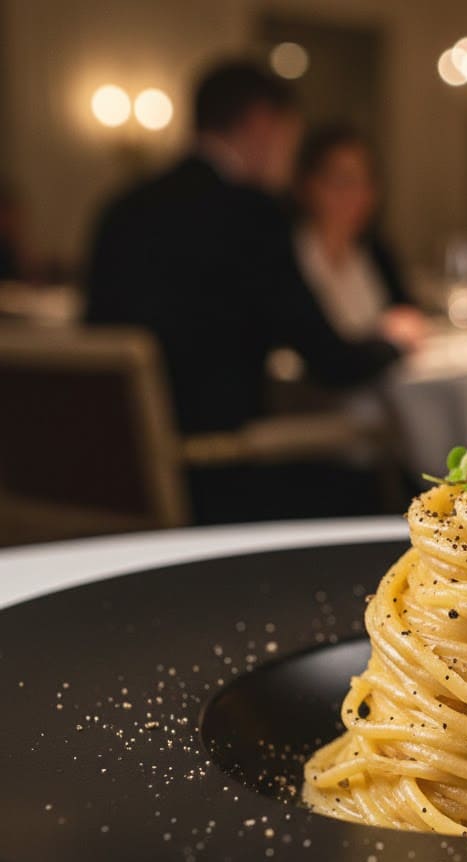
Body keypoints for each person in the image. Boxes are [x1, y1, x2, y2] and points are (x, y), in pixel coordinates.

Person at [84, 61, 418, 522]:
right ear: (262, 123)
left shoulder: (120, 209)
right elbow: (331, 361)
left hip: (109, 473)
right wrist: (395, 342)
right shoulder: (252, 215)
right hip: (217, 471)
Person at [294, 124, 426, 348]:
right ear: (310, 185)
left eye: (365, 181)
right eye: (343, 181)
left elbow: (408, 315)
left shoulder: (377, 252)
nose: (356, 194)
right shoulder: (287, 255)